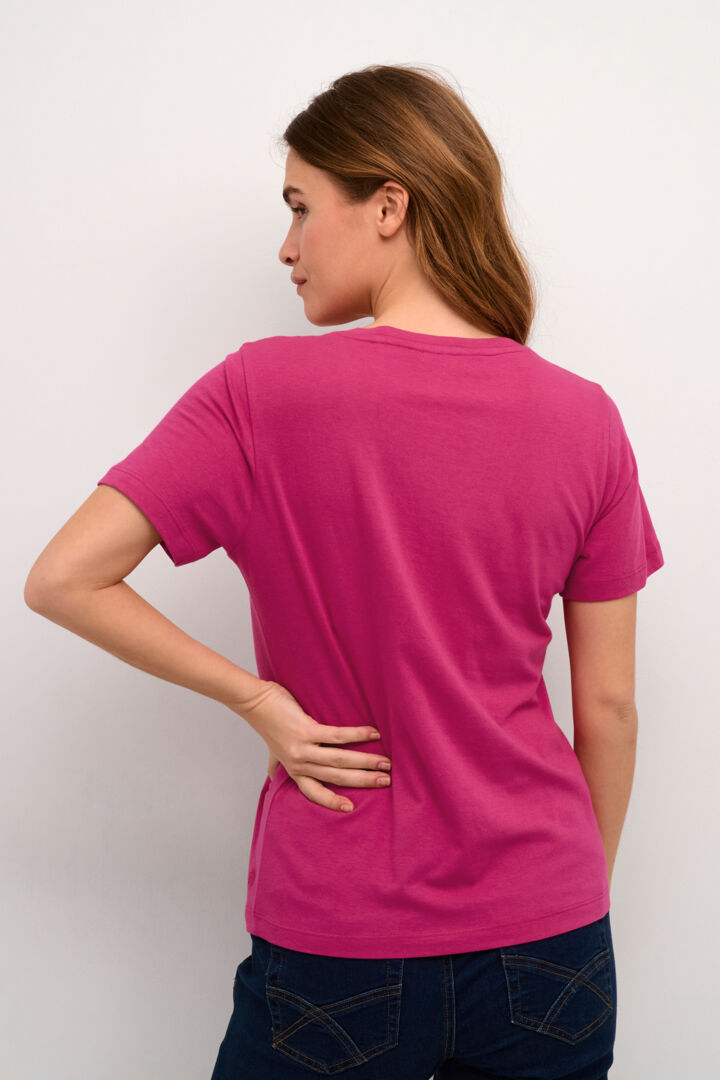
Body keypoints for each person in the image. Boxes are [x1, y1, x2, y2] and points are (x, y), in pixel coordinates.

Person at [24, 63, 664, 1080]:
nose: (285, 248)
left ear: (388, 206)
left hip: (341, 931)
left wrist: (257, 701)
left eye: (299, 206)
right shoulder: (585, 418)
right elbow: (612, 707)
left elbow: (64, 577)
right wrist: (574, 893)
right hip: (552, 938)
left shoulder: (259, 392)